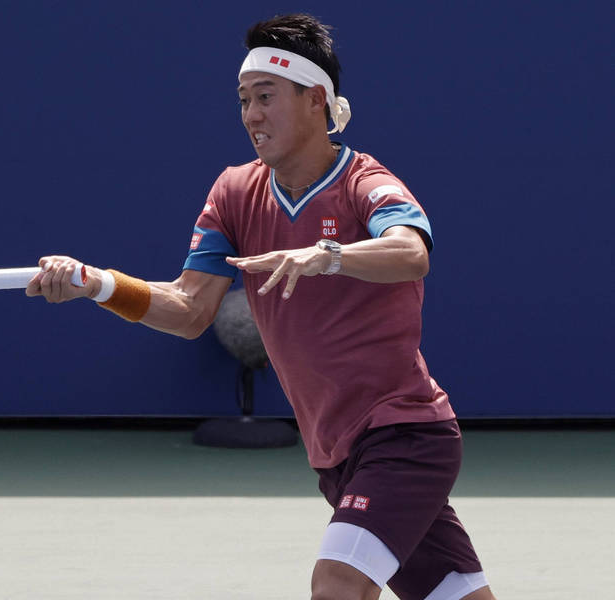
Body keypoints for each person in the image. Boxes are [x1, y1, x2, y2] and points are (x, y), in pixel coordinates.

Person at [26, 13, 496, 600]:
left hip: (403, 436)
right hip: (336, 454)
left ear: (316, 100)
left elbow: (410, 252)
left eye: (266, 97)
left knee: (336, 586)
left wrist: (325, 255)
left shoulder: (364, 182)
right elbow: (189, 310)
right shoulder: (234, 192)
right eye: (244, 99)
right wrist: (99, 284)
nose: (251, 115)